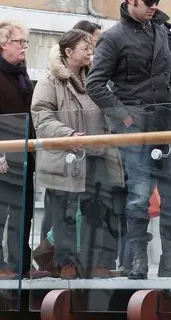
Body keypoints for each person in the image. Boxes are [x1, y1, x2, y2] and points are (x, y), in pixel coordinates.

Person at [87, 0, 171, 280]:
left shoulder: (162, 29)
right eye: (148, 1)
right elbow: (95, 84)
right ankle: (138, 262)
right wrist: (124, 117)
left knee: (169, 196)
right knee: (138, 195)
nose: (153, 5)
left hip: (164, 122)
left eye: (157, 1)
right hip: (136, 125)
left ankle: (169, 261)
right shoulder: (113, 37)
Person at [31, 29, 125, 279]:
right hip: (67, 158)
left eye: (92, 47)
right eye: (86, 48)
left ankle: (91, 262)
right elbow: (41, 117)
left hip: (96, 156)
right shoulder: (50, 81)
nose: (91, 52)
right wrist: (69, 135)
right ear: (68, 52)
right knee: (65, 213)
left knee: (95, 211)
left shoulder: (97, 80)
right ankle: (66, 263)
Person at [0, 21, 49, 280]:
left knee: (23, 214)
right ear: (3, 44)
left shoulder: (20, 73)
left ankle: (20, 265)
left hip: (23, 156)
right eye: (20, 42)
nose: (24, 46)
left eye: (25, 42)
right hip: (1, 158)